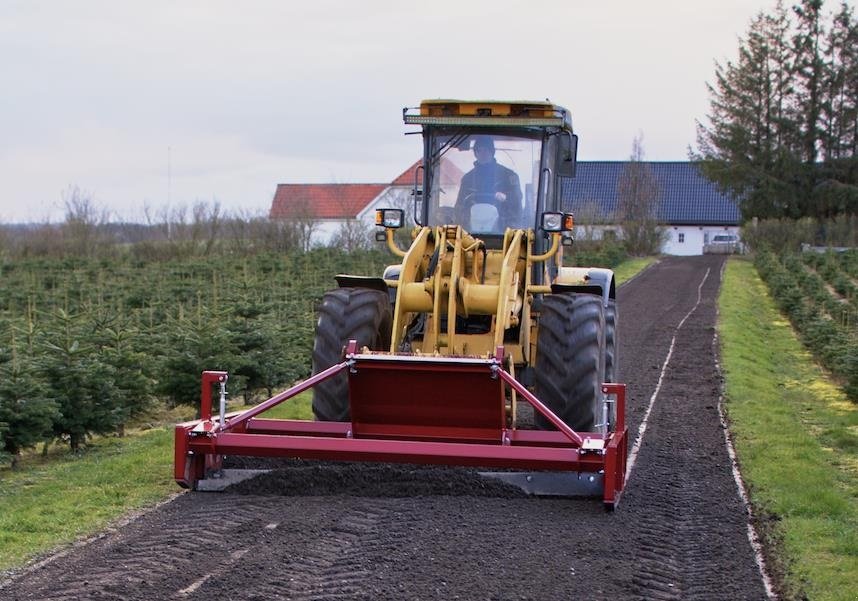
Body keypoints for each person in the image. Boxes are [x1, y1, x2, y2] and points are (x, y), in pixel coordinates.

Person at [455, 136, 523, 229]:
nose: (483, 154)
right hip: (471, 229)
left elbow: (517, 199)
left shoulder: (508, 176)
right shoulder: (467, 179)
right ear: (475, 153)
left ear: (492, 152)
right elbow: (460, 205)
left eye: (486, 150)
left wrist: (505, 197)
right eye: (479, 150)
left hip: (503, 229)